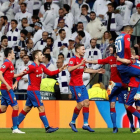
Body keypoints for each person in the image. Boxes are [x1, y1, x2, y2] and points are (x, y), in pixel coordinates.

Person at [13, 50, 67, 133]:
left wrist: (60, 69)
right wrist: (16, 82)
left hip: (35, 90)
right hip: (33, 90)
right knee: (41, 107)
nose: (43, 56)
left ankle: (15, 125)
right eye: (41, 55)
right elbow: (22, 74)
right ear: (36, 56)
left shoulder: (41, 66)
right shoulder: (31, 66)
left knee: (26, 108)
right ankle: (47, 127)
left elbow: (50, 72)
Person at [87, 44, 135, 133]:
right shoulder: (110, 58)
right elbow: (99, 61)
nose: (110, 49)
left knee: (127, 106)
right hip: (112, 84)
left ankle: (132, 126)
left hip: (123, 85)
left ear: (116, 49)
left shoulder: (123, 59)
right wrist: (87, 61)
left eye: (111, 48)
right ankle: (114, 127)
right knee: (112, 104)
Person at [68, 43, 105, 132]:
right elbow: (69, 69)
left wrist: (97, 71)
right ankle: (72, 122)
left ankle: (85, 124)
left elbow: (85, 70)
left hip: (81, 85)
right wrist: (79, 64)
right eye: (83, 49)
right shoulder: (73, 59)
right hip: (74, 85)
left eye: (84, 49)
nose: (84, 51)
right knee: (80, 104)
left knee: (87, 103)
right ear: (77, 50)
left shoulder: (81, 60)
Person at [0, 48, 25, 133]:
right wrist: (7, 85)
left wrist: (19, 74)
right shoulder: (6, 62)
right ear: (9, 54)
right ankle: (15, 128)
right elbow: (0, 74)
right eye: (13, 53)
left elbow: (10, 75)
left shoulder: (10, 63)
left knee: (3, 109)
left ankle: (15, 128)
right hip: (6, 88)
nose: (14, 54)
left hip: (6, 88)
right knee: (16, 107)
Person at [116, 25, 140, 100]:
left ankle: (116, 87)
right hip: (125, 64)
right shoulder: (126, 35)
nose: (131, 34)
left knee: (127, 83)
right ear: (128, 31)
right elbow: (127, 47)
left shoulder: (117, 37)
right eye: (131, 33)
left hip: (119, 65)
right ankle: (138, 93)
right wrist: (129, 57)